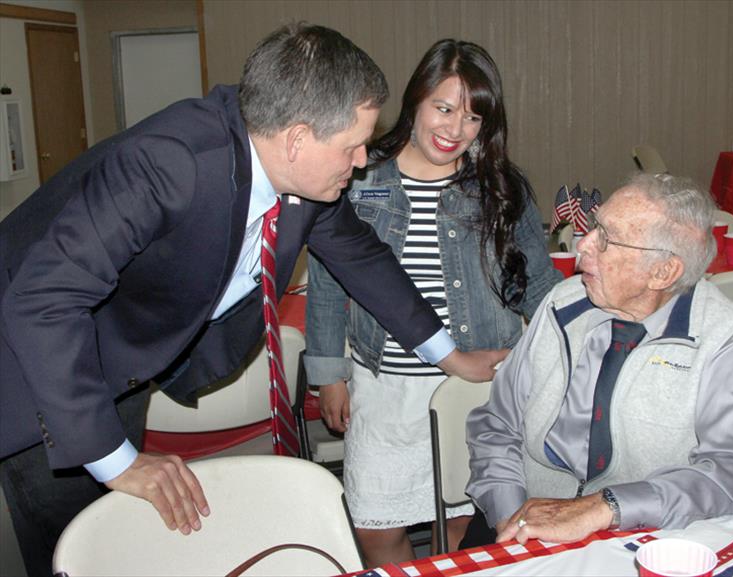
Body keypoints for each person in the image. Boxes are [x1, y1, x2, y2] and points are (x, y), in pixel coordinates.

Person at [0, 23, 505, 577]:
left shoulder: (306, 180)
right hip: (34, 358)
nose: (362, 160)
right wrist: (115, 461)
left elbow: (365, 261)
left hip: (120, 355)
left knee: (122, 538)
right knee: (73, 546)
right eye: (351, 144)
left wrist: (448, 355)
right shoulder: (169, 164)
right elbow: (43, 300)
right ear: (296, 138)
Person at [303, 39, 561, 567]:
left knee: (465, 525)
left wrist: (565, 355)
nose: (454, 130)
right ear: (415, 100)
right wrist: (329, 372)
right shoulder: (362, 175)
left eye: (472, 118)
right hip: (384, 384)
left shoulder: (500, 188)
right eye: (443, 108)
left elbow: (540, 287)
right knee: (376, 527)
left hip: (475, 386)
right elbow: (329, 280)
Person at [461, 173, 733, 549]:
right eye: (595, 227)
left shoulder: (722, 339)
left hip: (644, 536)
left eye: (607, 239)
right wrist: (511, 518)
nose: (584, 246)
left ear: (663, 273)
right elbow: (496, 426)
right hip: (523, 515)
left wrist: (605, 508)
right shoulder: (562, 305)